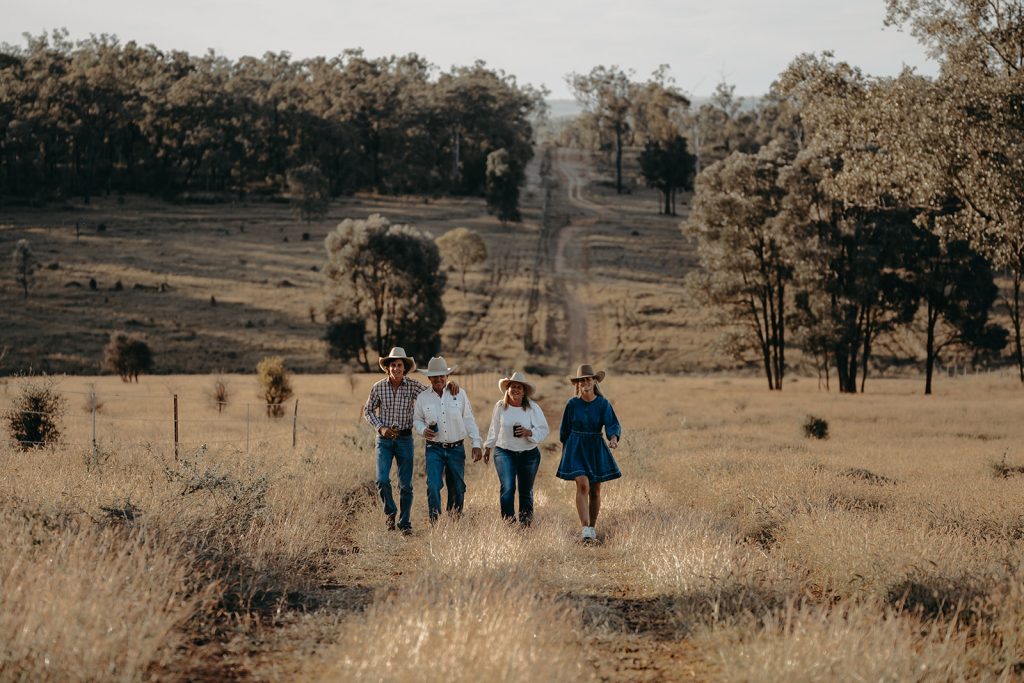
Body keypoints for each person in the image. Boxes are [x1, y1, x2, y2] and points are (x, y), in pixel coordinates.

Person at [363, 347, 458, 535]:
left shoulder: (413, 386)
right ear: (387, 367)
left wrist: (450, 385)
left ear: (404, 368)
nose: (396, 368)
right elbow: (368, 410)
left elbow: (433, 393)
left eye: (399, 365)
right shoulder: (378, 387)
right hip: (384, 439)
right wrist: (381, 427)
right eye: (392, 365)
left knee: (405, 484)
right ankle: (390, 512)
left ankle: (405, 522)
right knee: (382, 480)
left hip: (405, 439)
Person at [556, 364, 621, 543]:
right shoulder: (572, 404)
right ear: (578, 384)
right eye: (582, 380)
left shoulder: (603, 403)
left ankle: (592, 527)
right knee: (583, 484)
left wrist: (613, 438)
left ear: (594, 381)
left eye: (588, 379)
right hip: (576, 447)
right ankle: (585, 528)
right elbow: (564, 430)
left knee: (595, 490)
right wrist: (566, 451)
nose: (585, 382)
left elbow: (612, 424)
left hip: (595, 446)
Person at [413, 356, 482, 522]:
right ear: (429, 378)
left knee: (457, 488)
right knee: (433, 485)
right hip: (434, 448)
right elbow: (417, 420)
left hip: (456, 448)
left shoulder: (459, 394)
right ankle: (434, 521)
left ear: (447, 377)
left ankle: (455, 519)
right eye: (434, 376)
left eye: (442, 375)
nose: (438, 379)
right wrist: (423, 430)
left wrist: (476, 443)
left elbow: (468, 419)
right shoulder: (423, 397)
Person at [478, 371, 549, 526]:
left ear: (524, 392)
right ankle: (509, 523)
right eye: (512, 387)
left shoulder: (532, 408)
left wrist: (529, 432)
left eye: (519, 387)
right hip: (504, 451)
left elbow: (544, 430)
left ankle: (525, 523)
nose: (515, 390)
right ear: (507, 389)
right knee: (508, 487)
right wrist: (488, 447)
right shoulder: (500, 407)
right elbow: (494, 428)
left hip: (529, 454)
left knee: (526, 490)